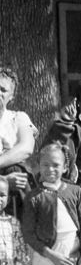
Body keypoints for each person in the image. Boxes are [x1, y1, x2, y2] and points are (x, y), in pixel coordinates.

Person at [21, 143, 81, 265]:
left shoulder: (76, 192)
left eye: (55, 165)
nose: (50, 169)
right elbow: (28, 233)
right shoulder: (34, 197)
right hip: (45, 257)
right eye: (45, 165)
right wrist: (50, 255)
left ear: (65, 167)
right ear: (39, 166)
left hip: (72, 256)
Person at [0, 67, 36, 199]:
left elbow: (26, 148)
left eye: (3, 90)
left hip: (15, 177)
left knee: (17, 171)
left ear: (11, 97)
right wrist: (3, 181)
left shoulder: (18, 118)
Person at [0, 177, 28, 265]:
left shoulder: (14, 222)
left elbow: (20, 242)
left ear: (8, 199)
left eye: (2, 195)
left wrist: (21, 259)